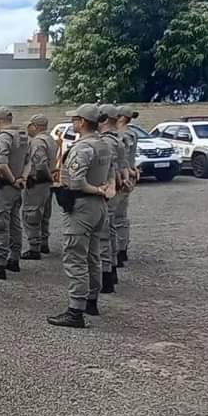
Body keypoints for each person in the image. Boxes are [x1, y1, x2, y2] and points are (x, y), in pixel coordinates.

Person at [47, 104, 115, 328]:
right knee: (92, 255)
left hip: (82, 207)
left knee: (75, 256)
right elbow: (111, 173)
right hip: (98, 207)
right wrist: (104, 190)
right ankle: (91, 301)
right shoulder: (104, 145)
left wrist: (96, 189)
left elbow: (77, 181)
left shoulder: (83, 148)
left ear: (83, 122)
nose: (73, 123)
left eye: (75, 119)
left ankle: (75, 310)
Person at [0, 107, 26, 280]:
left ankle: (0, 264)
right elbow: (29, 161)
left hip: (4, 186)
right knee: (15, 223)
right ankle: (14, 258)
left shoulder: (3, 138)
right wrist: (21, 178)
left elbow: (1, 164)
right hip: (17, 187)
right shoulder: (23, 137)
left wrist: (12, 179)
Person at [22, 114, 58, 260]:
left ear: (34, 126)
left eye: (29, 126)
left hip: (37, 182)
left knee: (31, 214)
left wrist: (44, 175)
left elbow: (40, 164)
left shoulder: (37, 141)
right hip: (47, 184)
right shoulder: (50, 139)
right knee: (44, 215)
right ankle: (44, 242)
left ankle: (34, 247)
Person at [97, 104, 124, 294]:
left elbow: (110, 169)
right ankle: (110, 269)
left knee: (104, 234)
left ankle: (106, 275)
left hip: (106, 190)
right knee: (111, 229)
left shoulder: (106, 142)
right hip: (115, 188)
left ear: (105, 119)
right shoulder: (117, 139)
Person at [114, 105, 139, 266]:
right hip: (129, 175)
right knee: (121, 216)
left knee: (116, 217)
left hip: (121, 178)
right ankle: (122, 248)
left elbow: (120, 159)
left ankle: (118, 250)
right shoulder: (133, 133)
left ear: (122, 118)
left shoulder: (122, 136)